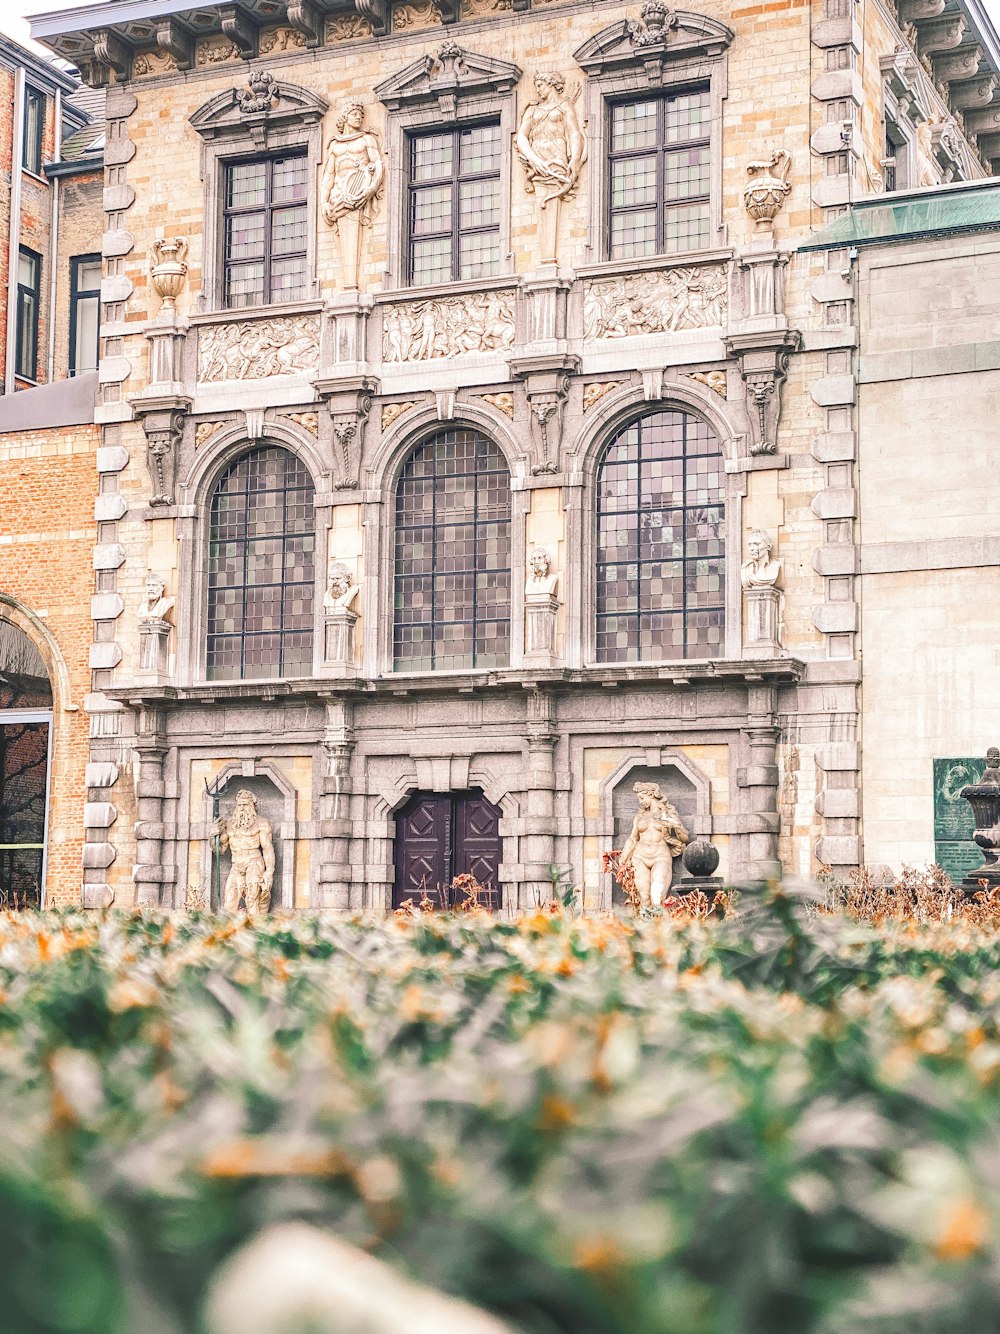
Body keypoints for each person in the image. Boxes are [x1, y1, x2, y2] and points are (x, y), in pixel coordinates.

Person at [515, 72, 587, 207]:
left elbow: (574, 134)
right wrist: (533, 159)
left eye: (540, 85)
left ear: (550, 84)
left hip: (558, 160)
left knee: (551, 199)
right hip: (537, 163)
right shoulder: (532, 109)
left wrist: (575, 158)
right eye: (536, 86)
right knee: (542, 199)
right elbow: (521, 136)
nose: (537, 90)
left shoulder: (565, 106)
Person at [618, 782, 689, 909]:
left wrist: (675, 826)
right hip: (639, 857)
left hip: (660, 857)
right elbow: (633, 838)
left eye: (642, 797)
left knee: (657, 898)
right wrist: (623, 859)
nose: (640, 802)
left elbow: (685, 837)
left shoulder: (668, 813)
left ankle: (666, 927)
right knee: (644, 899)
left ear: (651, 794)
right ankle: (646, 928)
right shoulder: (640, 816)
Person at [320, 102, 384, 229]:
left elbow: (378, 163)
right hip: (337, 196)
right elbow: (329, 175)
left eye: (360, 115)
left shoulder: (366, 139)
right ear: (345, 117)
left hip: (359, 193)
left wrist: (371, 188)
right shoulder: (334, 144)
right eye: (354, 114)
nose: (358, 117)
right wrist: (323, 202)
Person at [212, 789, 275, 914]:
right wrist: (213, 836)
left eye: (245, 805)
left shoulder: (262, 824)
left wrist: (269, 872)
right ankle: (229, 932)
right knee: (229, 902)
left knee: (252, 900)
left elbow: (267, 849)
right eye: (239, 805)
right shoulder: (228, 824)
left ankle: (255, 931)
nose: (241, 808)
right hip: (236, 865)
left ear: (253, 806)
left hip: (254, 863)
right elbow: (220, 851)